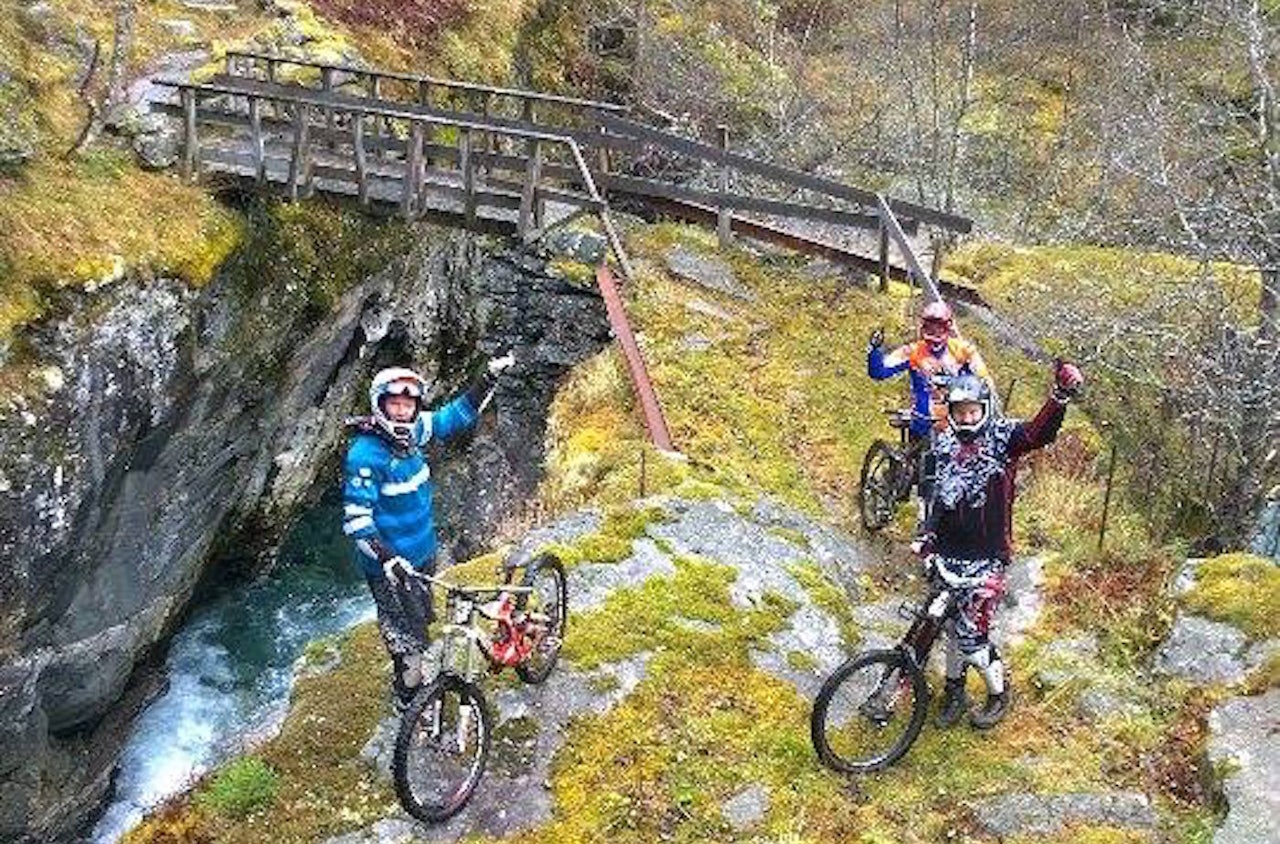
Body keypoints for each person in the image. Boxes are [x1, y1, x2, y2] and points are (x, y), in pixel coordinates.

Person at [912, 360, 1084, 729]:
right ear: (952, 412)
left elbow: (1038, 433)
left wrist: (1059, 397)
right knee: (947, 628)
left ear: (986, 409)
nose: (969, 417)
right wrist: (926, 539)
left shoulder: (1003, 437)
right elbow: (931, 496)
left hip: (987, 559)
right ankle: (953, 693)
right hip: (947, 556)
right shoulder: (943, 444)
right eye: (961, 411)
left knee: (973, 638)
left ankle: (998, 692)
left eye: (974, 410)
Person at [341, 353, 515, 709]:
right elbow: (357, 521)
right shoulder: (365, 456)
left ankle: (416, 679)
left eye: (409, 405)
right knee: (406, 639)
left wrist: (488, 377)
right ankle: (408, 697)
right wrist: (388, 560)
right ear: (380, 406)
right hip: (390, 566)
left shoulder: (415, 433)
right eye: (395, 405)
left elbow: (457, 415)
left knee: (421, 617)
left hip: (423, 552)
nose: (403, 412)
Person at [867, 300, 995, 513]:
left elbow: (984, 380)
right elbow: (879, 372)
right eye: (929, 327)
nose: (934, 334)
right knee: (923, 475)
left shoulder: (963, 351)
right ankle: (892, 493)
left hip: (958, 424)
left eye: (939, 328)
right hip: (924, 422)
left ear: (948, 327)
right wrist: (874, 350)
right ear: (922, 327)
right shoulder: (913, 352)